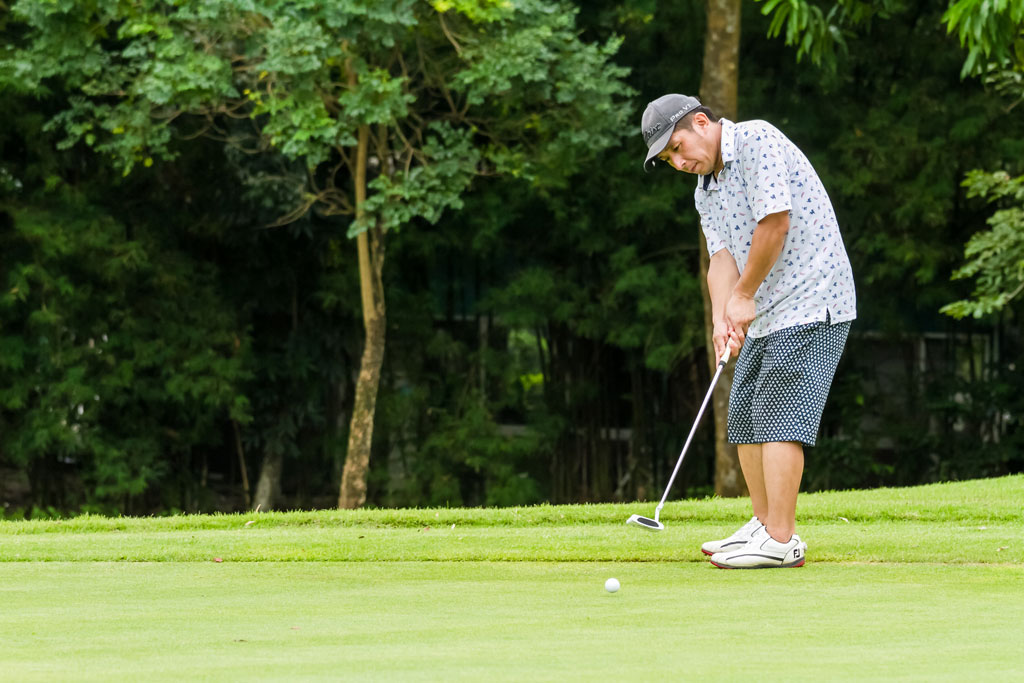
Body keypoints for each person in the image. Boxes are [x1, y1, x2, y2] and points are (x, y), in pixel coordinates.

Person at [640, 94, 856, 568]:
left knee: (779, 413)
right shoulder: (705, 191)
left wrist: (742, 296)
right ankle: (763, 523)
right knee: (744, 412)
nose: (679, 162)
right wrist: (722, 316)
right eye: (669, 159)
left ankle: (780, 539)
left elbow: (774, 224)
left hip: (812, 296)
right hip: (767, 305)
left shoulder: (756, 140)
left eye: (677, 147)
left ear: (701, 123)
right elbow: (720, 258)